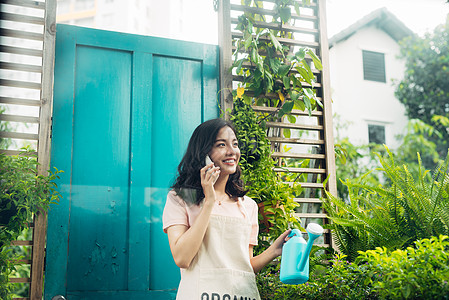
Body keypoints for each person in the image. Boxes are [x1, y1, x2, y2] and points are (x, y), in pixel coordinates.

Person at [163, 118, 290, 300]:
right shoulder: (181, 198)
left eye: (235, 144)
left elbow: (242, 268)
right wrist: (209, 202)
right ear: (203, 153)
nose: (232, 152)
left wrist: (274, 251)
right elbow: (182, 258)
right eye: (221, 145)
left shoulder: (248, 206)